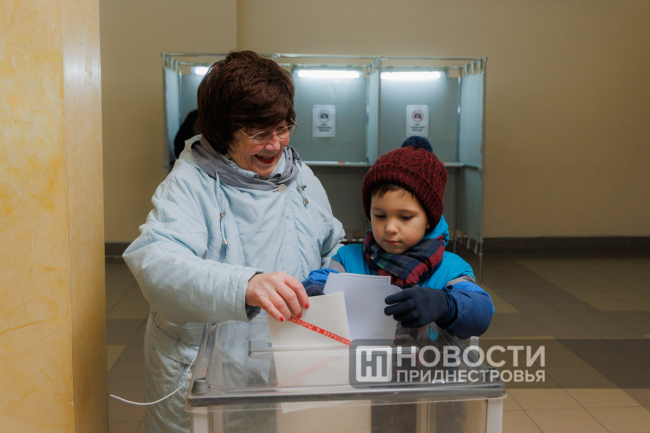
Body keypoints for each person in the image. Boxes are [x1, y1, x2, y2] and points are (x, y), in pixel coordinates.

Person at [123, 51, 345, 433]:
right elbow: (156, 265)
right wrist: (245, 284)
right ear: (222, 132)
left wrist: (339, 277)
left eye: (282, 128)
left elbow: (331, 243)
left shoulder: (300, 176)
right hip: (209, 370)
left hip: (289, 361)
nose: (275, 145)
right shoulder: (189, 183)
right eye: (258, 134)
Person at [302, 136, 493, 339]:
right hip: (360, 358)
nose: (390, 228)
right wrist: (313, 290)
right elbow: (321, 279)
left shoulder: (451, 268)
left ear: (429, 219)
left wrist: (444, 304)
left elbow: (481, 313)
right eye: (380, 215)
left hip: (427, 360)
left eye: (405, 217)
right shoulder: (346, 259)